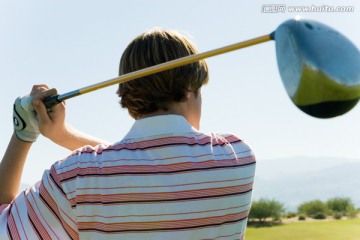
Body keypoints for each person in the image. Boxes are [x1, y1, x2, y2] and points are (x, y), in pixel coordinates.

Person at [0, 29, 256, 240]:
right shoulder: (237, 157)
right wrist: (65, 135)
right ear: (191, 89)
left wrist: (24, 133)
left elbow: (5, 224)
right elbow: (151, 164)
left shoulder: (76, 176)